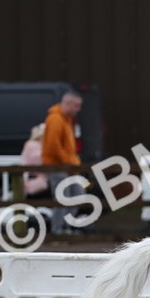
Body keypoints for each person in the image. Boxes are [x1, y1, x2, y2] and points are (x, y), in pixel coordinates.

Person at [41, 90, 84, 234]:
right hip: (57, 167)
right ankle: (58, 231)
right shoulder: (55, 119)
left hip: (67, 167)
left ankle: (66, 227)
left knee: (77, 195)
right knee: (62, 198)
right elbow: (54, 146)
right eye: (76, 106)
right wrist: (68, 162)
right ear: (67, 103)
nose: (79, 110)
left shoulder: (65, 120)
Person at [20, 123, 49, 198]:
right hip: (40, 179)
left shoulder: (29, 145)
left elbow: (24, 161)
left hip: (31, 178)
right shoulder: (37, 146)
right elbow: (40, 161)